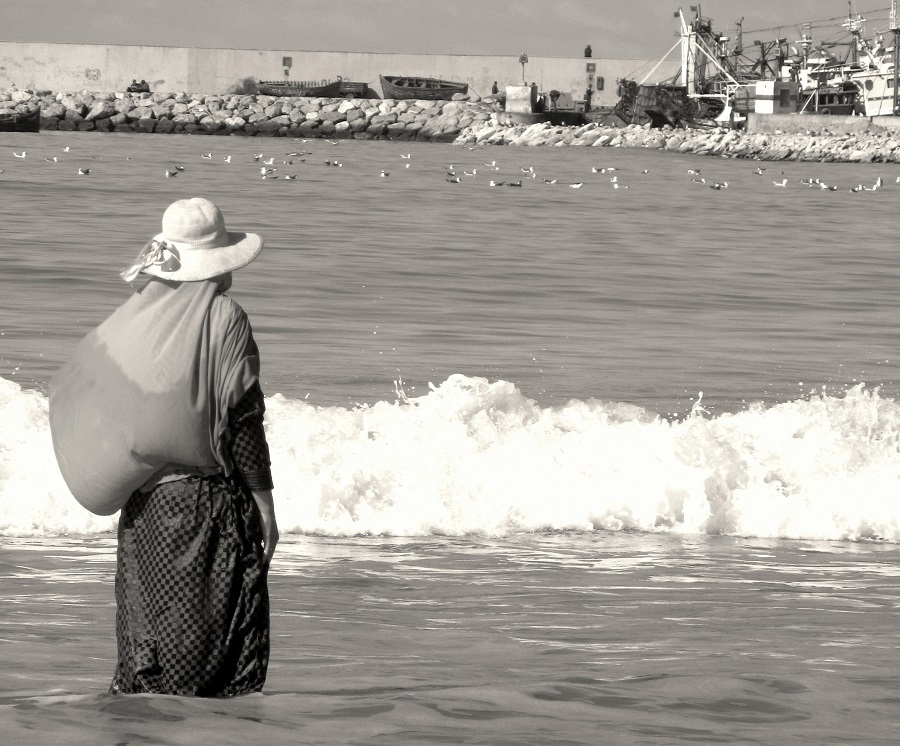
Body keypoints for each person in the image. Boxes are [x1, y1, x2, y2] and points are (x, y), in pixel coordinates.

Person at [49, 197, 278, 697]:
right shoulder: (226, 318)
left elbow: (86, 385)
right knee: (211, 657)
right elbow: (242, 419)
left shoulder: (133, 318)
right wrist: (264, 502)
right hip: (203, 512)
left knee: (147, 648)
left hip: (143, 512)